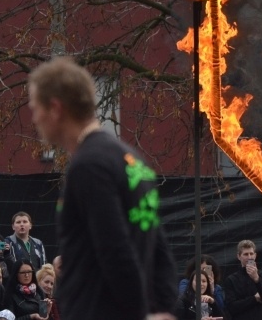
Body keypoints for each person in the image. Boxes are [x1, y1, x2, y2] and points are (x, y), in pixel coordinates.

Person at [28, 56, 177, 320]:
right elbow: (159, 247)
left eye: (35, 108)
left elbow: (114, 248)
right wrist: (163, 309)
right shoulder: (133, 160)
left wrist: (140, 314)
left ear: (55, 108)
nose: (34, 118)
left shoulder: (89, 166)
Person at [222, 240, 262, 320]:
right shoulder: (231, 280)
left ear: (255, 255)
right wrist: (254, 299)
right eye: (246, 254)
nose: (249, 257)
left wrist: (257, 279)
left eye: (251, 254)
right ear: (239, 256)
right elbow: (231, 307)